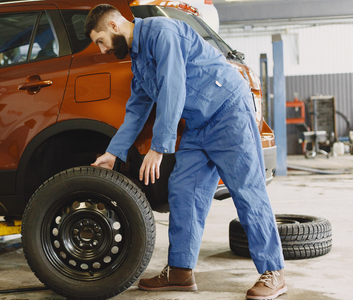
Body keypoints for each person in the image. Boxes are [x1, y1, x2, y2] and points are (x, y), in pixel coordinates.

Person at [84, 4, 287, 300]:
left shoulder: (161, 33)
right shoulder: (138, 58)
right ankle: (180, 271)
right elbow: (138, 107)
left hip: (228, 112)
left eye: (100, 40)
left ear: (114, 26)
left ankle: (274, 272)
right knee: (183, 189)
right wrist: (113, 152)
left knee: (247, 190)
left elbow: (173, 87)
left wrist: (159, 147)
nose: (101, 49)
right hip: (197, 124)